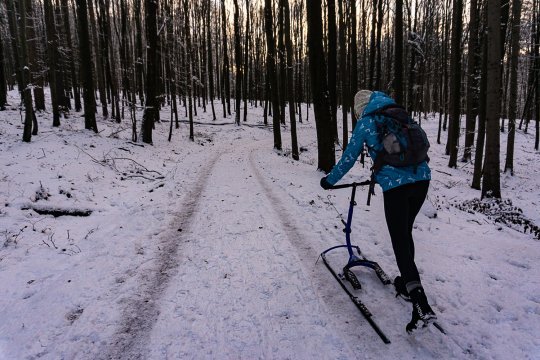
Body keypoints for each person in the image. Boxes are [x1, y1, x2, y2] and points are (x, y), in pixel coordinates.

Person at [320, 90, 436, 332]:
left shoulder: (367, 122)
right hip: (422, 180)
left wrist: (330, 181)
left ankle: (420, 302)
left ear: (360, 108)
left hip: (397, 187)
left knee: (399, 240)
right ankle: (406, 283)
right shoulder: (399, 114)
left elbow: (349, 156)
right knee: (405, 233)